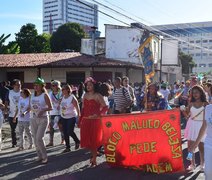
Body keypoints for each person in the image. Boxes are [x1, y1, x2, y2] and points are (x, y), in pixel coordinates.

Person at [79, 77, 108, 167]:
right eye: (87, 85)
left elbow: (105, 107)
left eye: (90, 85)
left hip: (95, 121)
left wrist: (97, 114)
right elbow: (83, 108)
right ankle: (94, 155)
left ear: (94, 86)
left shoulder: (98, 95)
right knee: (88, 141)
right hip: (86, 121)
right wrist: (80, 119)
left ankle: (94, 158)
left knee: (94, 141)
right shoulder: (85, 95)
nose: (88, 86)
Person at [182, 85, 208, 171]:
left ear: (201, 93)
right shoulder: (190, 104)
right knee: (190, 148)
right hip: (192, 126)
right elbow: (187, 117)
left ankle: (202, 164)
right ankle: (192, 164)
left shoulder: (206, 104)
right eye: (193, 93)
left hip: (202, 127)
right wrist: (183, 111)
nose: (195, 94)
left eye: (197, 92)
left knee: (202, 147)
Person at [190, 88, 212, 179]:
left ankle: (202, 164)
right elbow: (204, 126)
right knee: (208, 172)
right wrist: (195, 144)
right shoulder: (208, 108)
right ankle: (197, 165)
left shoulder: (205, 104)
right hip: (209, 143)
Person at [30, 77, 52, 164]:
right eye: (34, 85)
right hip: (33, 118)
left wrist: (42, 110)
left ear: (42, 86)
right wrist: (24, 112)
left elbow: (51, 107)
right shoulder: (31, 95)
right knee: (35, 139)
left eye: (37, 85)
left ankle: (44, 156)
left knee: (39, 138)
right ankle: (39, 156)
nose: (35, 87)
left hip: (43, 119)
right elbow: (30, 107)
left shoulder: (45, 95)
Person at [60, 84, 80, 153]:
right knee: (65, 132)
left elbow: (77, 107)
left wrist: (79, 116)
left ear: (68, 90)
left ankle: (77, 141)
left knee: (70, 131)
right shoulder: (62, 97)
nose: (62, 91)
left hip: (71, 116)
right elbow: (61, 105)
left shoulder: (72, 97)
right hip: (63, 117)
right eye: (61, 89)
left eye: (63, 89)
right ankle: (67, 147)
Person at [47, 80, 64, 147]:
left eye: (54, 85)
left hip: (60, 112)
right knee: (51, 127)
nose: (53, 86)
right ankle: (51, 142)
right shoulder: (50, 93)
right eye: (52, 85)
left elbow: (62, 100)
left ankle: (63, 140)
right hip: (52, 112)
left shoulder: (61, 92)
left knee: (61, 126)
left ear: (58, 86)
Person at [5, 79, 21, 148]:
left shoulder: (23, 92)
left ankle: (22, 142)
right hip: (11, 113)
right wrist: (6, 109)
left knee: (22, 129)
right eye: (17, 84)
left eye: (20, 84)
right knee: (13, 129)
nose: (19, 86)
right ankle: (14, 143)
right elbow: (6, 101)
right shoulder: (9, 92)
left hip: (21, 114)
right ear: (14, 85)